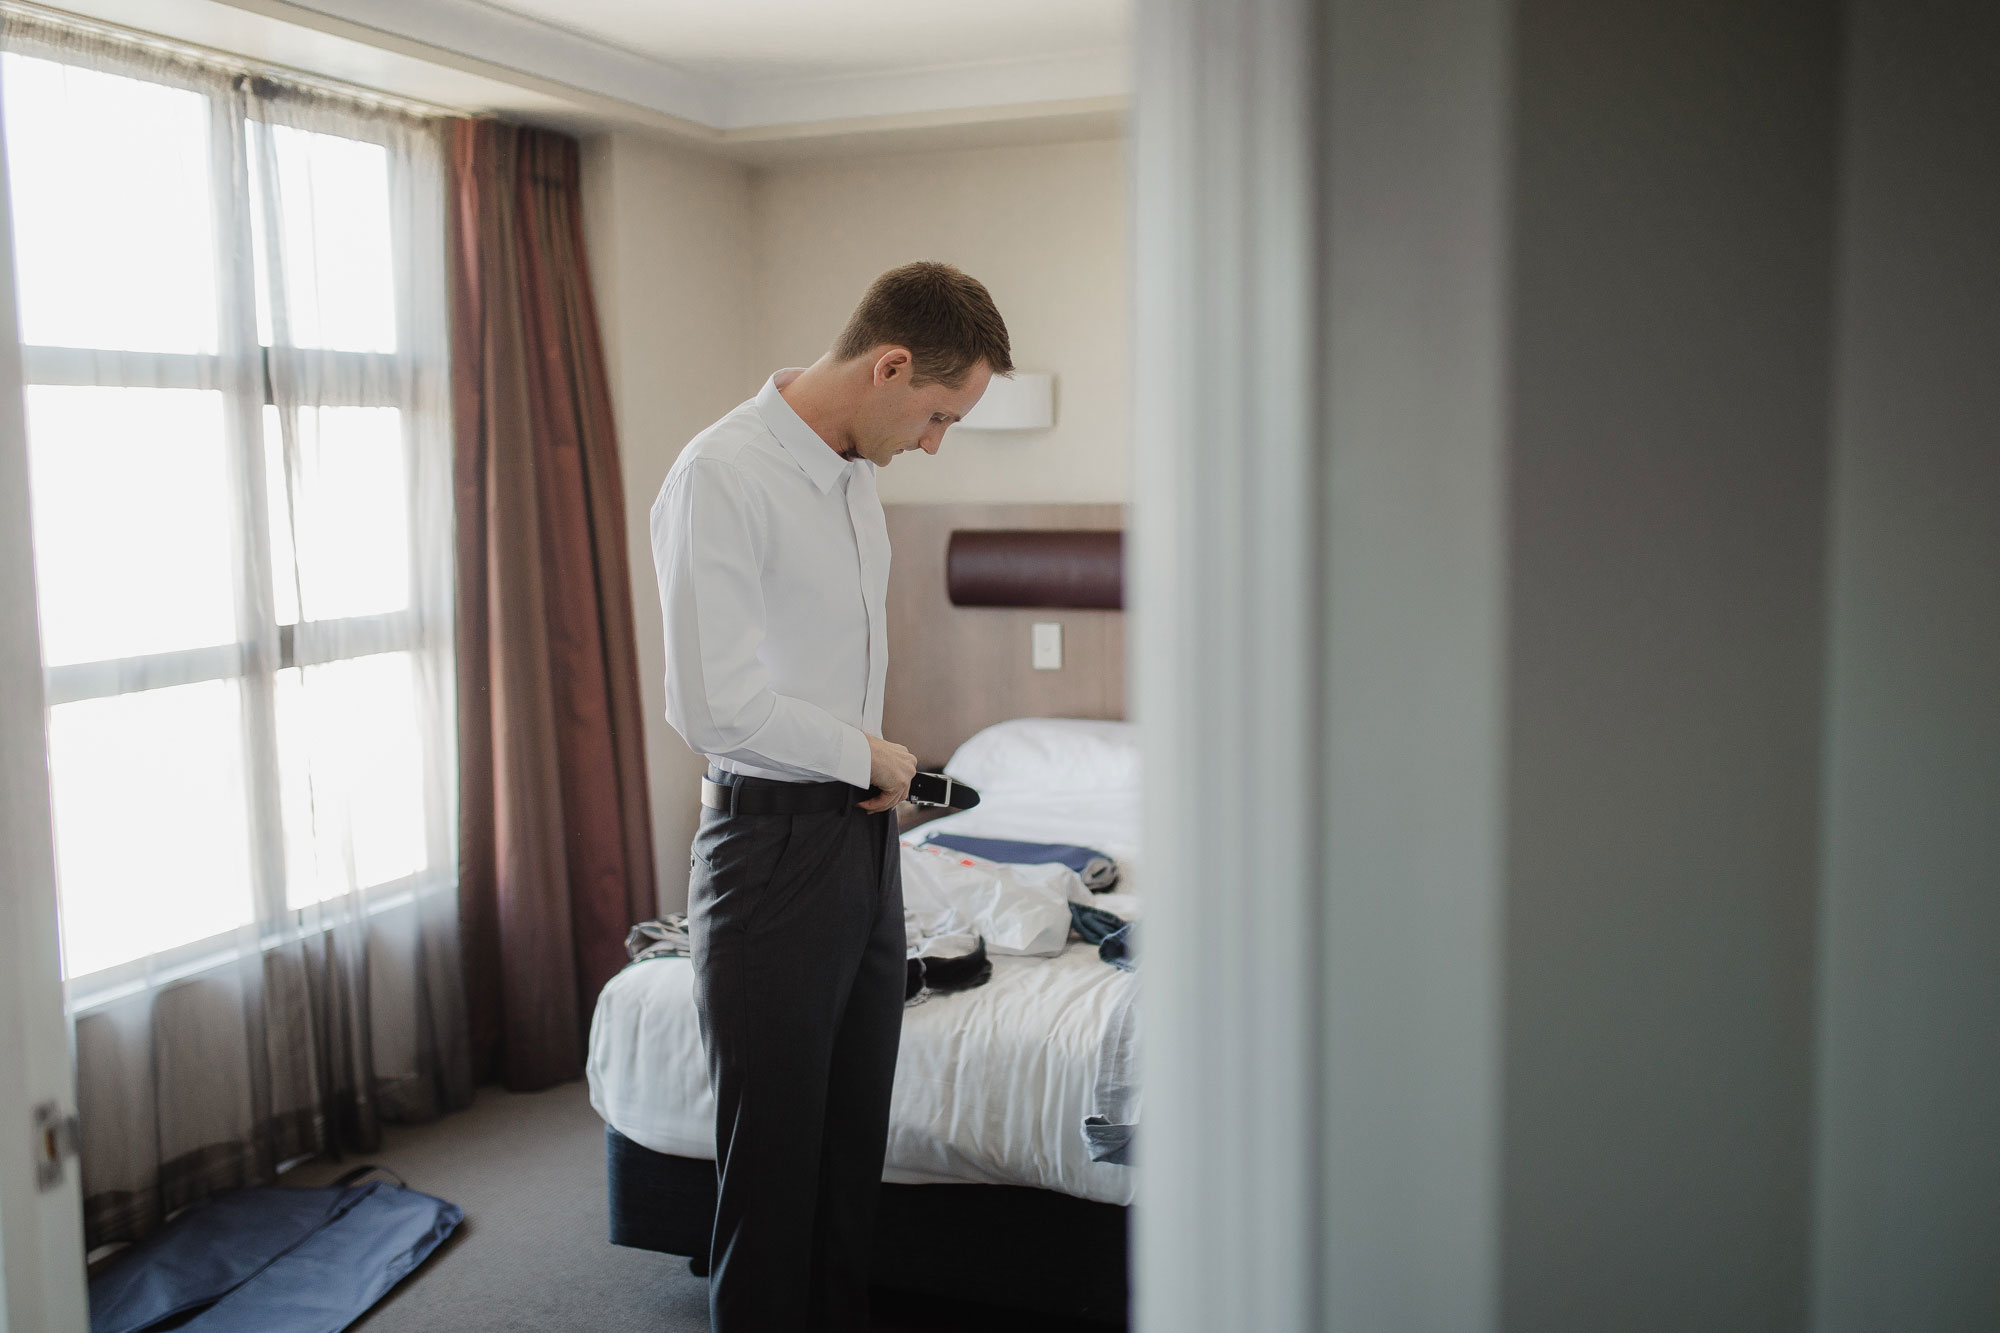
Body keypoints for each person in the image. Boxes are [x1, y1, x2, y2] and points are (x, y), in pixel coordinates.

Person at [650, 261, 1013, 1330]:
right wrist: (872, 756)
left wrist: (869, 775)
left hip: (862, 848)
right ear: (888, 364)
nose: (935, 441)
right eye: (939, 414)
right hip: (766, 859)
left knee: (850, 1151)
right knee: (771, 1177)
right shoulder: (720, 475)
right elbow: (711, 705)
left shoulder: (854, 474)